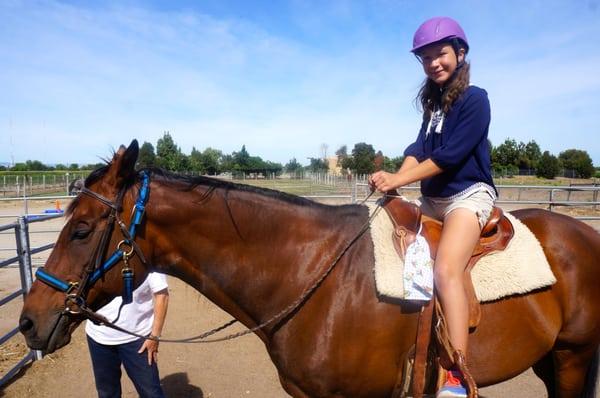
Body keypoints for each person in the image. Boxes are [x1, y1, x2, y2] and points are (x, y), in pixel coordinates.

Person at [369, 16, 496, 398]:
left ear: (459, 53)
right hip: (432, 198)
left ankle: (457, 374)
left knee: (444, 270)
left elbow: (451, 156)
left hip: (466, 195)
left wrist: (397, 181)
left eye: (440, 54)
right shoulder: (434, 106)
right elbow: (418, 152)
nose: (434, 63)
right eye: (425, 58)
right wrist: (391, 175)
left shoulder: (476, 100)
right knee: (396, 252)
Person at [86, 272, 169, 398]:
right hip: (99, 338)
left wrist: (155, 336)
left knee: (151, 393)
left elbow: (162, 295)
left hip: (138, 340)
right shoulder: (95, 255)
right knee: (107, 393)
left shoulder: (146, 256)